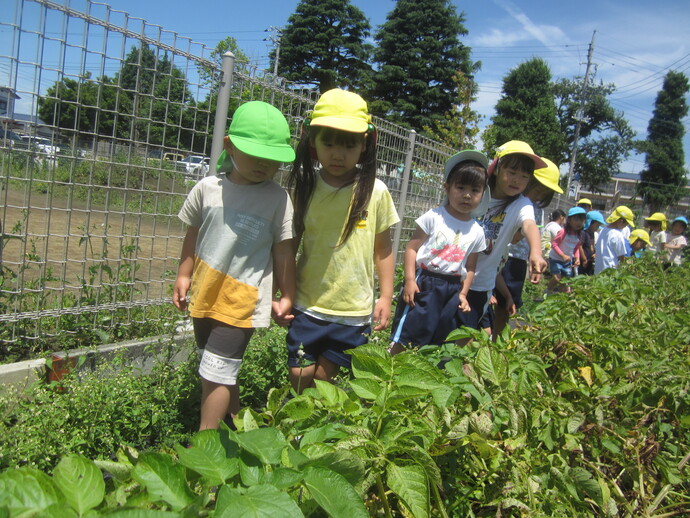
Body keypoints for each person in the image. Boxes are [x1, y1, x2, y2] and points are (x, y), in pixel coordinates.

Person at [173, 101, 297, 430]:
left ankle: (206, 445)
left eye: (272, 158)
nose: (263, 163)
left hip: (241, 297)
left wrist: (287, 295)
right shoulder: (207, 190)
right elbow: (193, 233)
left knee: (213, 371)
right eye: (254, 153)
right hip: (205, 289)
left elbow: (284, 251)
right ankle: (237, 423)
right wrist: (184, 274)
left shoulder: (278, 198)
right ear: (229, 145)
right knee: (220, 367)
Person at [285, 88, 399, 392]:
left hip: (353, 311)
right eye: (329, 143)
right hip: (308, 302)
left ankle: (312, 429)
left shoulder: (376, 192)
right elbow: (290, 245)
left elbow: (384, 249)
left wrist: (386, 296)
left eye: (348, 145)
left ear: (365, 145)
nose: (338, 153)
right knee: (299, 372)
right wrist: (281, 290)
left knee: (325, 378)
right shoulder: (306, 188)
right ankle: (292, 417)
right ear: (313, 142)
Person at [388, 150, 488, 353]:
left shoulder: (477, 231)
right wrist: (409, 281)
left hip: (452, 288)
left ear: (482, 195)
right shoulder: (433, 217)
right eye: (461, 187)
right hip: (425, 282)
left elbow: (470, 267)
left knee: (441, 337)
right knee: (408, 333)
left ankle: (426, 379)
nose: (467, 195)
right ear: (447, 188)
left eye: (475, 190)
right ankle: (391, 372)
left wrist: (463, 293)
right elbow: (411, 249)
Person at [464, 140, 548, 334]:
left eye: (524, 176)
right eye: (512, 172)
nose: (517, 180)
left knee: (464, 338)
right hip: (451, 273)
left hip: (480, 282)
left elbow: (529, 224)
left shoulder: (521, 204)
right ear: (497, 168)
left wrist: (535, 252)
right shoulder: (476, 191)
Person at [493, 157, 563, 336]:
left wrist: (535, 252)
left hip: (518, 260)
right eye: (538, 190)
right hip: (503, 258)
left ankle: (496, 342)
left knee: (507, 305)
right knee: (494, 303)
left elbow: (531, 229)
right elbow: (515, 237)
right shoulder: (511, 201)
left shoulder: (534, 208)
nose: (538, 196)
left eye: (544, 194)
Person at [547, 207, 586, 294]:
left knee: (565, 280)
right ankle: (547, 292)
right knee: (557, 278)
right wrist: (562, 255)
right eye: (576, 220)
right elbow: (554, 244)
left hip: (567, 260)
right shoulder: (563, 232)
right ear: (569, 220)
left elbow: (576, 248)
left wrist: (577, 258)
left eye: (581, 220)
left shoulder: (579, 235)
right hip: (556, 258)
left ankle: (561, 297)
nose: (579, 223)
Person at [594, 205, 635, 274]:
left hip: (598, 270)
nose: (626, 226)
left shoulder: (603, 230)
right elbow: (621, 256)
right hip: (610, 271)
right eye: (626, 224)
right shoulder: (617, 235)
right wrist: (629, 266)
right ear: (620, 221)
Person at [579, 210, 605, 275]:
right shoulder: (583, 233)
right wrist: (584, 259)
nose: (597, 228)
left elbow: (592, 245)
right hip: (582, 262)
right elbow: (579, 246)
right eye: (597, 225)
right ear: (590, 223)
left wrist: (594, 254)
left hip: (589, 261)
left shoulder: (592, 233)